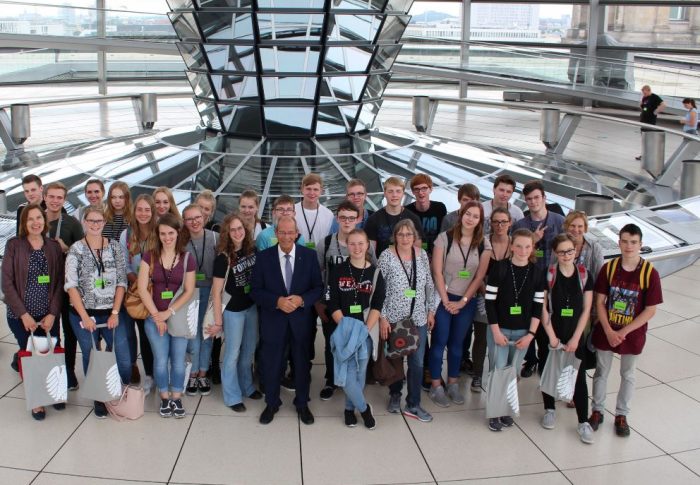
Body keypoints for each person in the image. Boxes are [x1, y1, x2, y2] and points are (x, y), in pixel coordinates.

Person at [589, 223, 662, 438]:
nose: (628, 246)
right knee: (601, 371)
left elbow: (650, 310)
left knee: (628, 374)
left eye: (633, 242)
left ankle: (621, 414)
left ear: (640, 245)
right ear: (618, 242)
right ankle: (598, 410)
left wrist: (625, 332)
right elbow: (599, 302)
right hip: (606, 329)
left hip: (632, 334)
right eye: (624, 241)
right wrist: (610, 331)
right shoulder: (609, 268)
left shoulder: (649, 273)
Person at [250, 216, 323, 425]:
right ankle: (272, 402)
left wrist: (302, 300)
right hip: (274, 320)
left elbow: (318, 287)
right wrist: (277, 301)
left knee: (301, 364)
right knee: (272, 364)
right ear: (276, 233)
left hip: (301, 321)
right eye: (282, 232)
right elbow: (255, 291)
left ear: (297, 233)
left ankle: (302, 403)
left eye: (291, 232)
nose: (286, 236)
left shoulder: (309, 256)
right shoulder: (263, 258)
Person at [65, 207, 131, 418]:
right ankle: (99, 396)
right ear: (84, 222)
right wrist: (84, 317)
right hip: (83, 315)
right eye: (91, 221)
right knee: (91, 356)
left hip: (111, 313)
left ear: (104, 222)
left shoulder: (114, 248)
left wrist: (115, 311)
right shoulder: (76, 249)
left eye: (99, 221)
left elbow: (121, 281)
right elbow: (71, 286)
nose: (95, 224)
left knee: (122, 356)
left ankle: (120, 389)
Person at [2, 204, 65, 420]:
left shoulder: (53, 247)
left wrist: (52, 313)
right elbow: (7, 284)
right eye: (31, 219)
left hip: (48, 315)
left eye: (39, 217)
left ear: (45, 221)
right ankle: (38, 400)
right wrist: (24, 315)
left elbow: (58, 283)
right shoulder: (14, 245)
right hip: (21, 316)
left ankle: (54, 392)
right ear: (24, 223)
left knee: (49, 354)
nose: (36, 222)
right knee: (30, 357)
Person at [429, 202, 491, 407]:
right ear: (461, 214)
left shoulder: (484, 244)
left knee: (457, 345)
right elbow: (436, 271)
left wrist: (463, 301)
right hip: (443, 299)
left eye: (475, 216)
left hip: (466, 301)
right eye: (468, 214)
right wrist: (446, 300)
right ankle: (436, 385)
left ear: (480, 220)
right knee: (439, 342)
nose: (470, 218)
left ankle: (453, 383)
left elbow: (479, 277)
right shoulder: (444, 238)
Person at [316, 201, 377, 401]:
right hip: (332, 305)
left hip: (360, 306)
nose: (347, 221)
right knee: (332, 344)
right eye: (343, 217)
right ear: (337, 219)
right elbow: (317, 275)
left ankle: (355, 379)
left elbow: (374, 275)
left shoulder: (365, 245)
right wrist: (319, 303)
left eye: (352, 217)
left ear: (359, 219)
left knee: (359, 343)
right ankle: (331, 380)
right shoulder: (325, 243)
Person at [484, 228, 544, 431]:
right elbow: (489, 302)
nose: (523, 250)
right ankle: (494, 412)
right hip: (499, 330)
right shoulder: (500, 268)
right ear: (511, 246)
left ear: (532, 248)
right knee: (498, 370)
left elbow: (538, 306)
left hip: (523, 333)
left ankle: (507, 409)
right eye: (518, 245)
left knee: (513, 372)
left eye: (527, 246)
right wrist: (495, 332)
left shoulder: (536, 272)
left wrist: (531, 335)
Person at [137, 213, 196, 418]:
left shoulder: (188, 258)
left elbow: (189, 290)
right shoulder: (149, 256)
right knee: (161, 360)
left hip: (177, 318)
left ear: (178, 233)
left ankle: (177, 397)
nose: (167, 237)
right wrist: (157, 316)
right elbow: (142, 289)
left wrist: (168, 312)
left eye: (170, 233)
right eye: (162, 233)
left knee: (178, 360)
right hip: (154, 319)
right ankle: (164, 398)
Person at [326, 229, 385, 429]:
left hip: (365, 330)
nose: (357, 248)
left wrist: (364, 330)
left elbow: (377, 305)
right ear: (347, 246)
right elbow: (332, 302)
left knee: (360, 374)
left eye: (361, 243)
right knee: (347, 375)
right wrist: (345, 326)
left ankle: (349, 409)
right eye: (352, 244)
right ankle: (364, 409)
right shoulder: (338, 271)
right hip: (344, 328)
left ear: (368, 245)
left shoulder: (375, 273)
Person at [378, 219, 436, 423]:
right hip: (394, 318)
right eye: (400, 234)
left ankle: (413, 403)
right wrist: (382, 317)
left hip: (418, 318)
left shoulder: (421, 256)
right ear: (394, 236)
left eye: (408, 234)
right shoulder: (386, 256)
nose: (404, 238)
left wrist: (431, 310)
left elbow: (429, 284)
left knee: (417, 362)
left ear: (415, 237)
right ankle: (395, 394)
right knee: (395, 359)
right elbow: (380, 289)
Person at [540, 234, 594, 444]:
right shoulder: (549, 274)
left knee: (578, 377)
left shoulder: (584, 275)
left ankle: (583, 422)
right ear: (555, 253)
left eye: (570, 251)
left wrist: (575, 338)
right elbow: (543, 308)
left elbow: (587, 309)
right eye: (562, 251)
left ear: (576, 251)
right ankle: (549, 409)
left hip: (574, 335)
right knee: (549, 370)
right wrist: (552, 337)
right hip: (552, 332)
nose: (566, 255)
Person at [512, 180, 565, 378]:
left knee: (547, 322)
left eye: (536, 198)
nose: (533, 202)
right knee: (527, 322)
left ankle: (545, 361)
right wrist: (534, 239)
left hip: (552, 283)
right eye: (529, 199)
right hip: (528, 282)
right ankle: (531, 359)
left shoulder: (559, 221)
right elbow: (516, 251)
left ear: (544, 198)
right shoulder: (520, 225)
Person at [211, 213, 262, 412]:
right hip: (232, 312)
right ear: (227, 233)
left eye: (240, 228)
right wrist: (218, 321)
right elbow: (216, 292)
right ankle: (232, 396)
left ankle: (247, 387)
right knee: (232, 353)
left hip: (251, 308)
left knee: (248, 350)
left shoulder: (253, 250)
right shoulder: (223, 258)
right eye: (233, 230)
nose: (237, 232)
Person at [467, 207, 513, 392]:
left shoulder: (515, 244)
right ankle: (477, 374)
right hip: (483, 296)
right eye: (496, 222)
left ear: (510, 223)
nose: (500, 225)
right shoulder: (482, 243)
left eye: (503, 221)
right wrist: (485, 292)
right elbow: (474, 271)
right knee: (481, 338)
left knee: (504, 338)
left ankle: (502, 374)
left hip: (508, 300)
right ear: (490, 223)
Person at [44, 181, 83, 390]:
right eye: (52, 196)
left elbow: (83, 255)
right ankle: (51, 370)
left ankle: (68, 371)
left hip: (66, 286)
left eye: (60, 197)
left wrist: (65, 248)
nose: (55, 201)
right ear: (44, 197)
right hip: (43, 287)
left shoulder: (71, 224)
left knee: (69, 331)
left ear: (64, 200)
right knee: (49, 330)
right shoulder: (35, 220)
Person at [119, 194, 157, 393]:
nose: (143, 214)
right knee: (128, 334)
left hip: (153, 294)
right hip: (132, 294)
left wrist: (148, 286)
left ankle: (151, 374)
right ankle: (130, 369)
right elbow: (123, 264)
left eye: (147, 210)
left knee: (147, 335)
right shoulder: (126, 235)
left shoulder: (159, 233)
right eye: (139, 209)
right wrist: (138, 282)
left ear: (153, 212)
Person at [182, 204, 218, 396]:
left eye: (197, 217)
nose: (194, 221)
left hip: (211, 293)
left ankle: (203, 372)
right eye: (189, 219)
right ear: (184, 222)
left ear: (204, 218)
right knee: (192, 335)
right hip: (189, 294)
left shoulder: (215, 238)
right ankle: (193, 372)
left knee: (207, 332)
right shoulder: (181, 241)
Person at [365, 177, 423, 257]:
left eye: (398, 191)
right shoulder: (374, 219)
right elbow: (370, 251)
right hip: (381, 266)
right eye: (390, 191)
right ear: (385, 193)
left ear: (403, 193)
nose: (394, 195)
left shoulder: (413, 219)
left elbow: (422, 245)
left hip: (407, 266)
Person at [406, 173, 447, 256]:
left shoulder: (440, 208)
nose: (421, 193)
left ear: (431, 189)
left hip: (436, 252)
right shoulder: (407, 211)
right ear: (413, 192)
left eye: (424, 188)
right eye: (417, 189)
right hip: (413, 254)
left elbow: (443, 236)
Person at [294, 173, 334, 250]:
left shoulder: (328, 215)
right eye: (308, 189)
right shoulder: (292, 211)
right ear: (302, 189)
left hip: (320, 257)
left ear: (321, 191)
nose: (312, 193)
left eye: (315, 189)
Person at [635, 85, 666, 160]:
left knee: (648, 139)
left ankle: (649, 155)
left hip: (650, 121)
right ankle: (644, 155)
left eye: (645, 92)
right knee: (644, 139)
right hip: (643, 121)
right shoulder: (645, 98)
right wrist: (642, 106)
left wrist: (656, 111)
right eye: (643, 93)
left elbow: (663, 104)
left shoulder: (654, 97)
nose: (643, 94)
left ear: (648, 90)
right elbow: (644, 107)